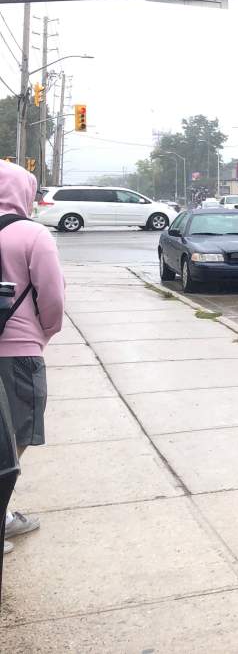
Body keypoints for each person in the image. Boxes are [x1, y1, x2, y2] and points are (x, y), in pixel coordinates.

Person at [0, 159, 65, 555]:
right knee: (16, 438)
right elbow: (53, 297)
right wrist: (43, 332)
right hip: (19, 352)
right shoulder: (32, 235)